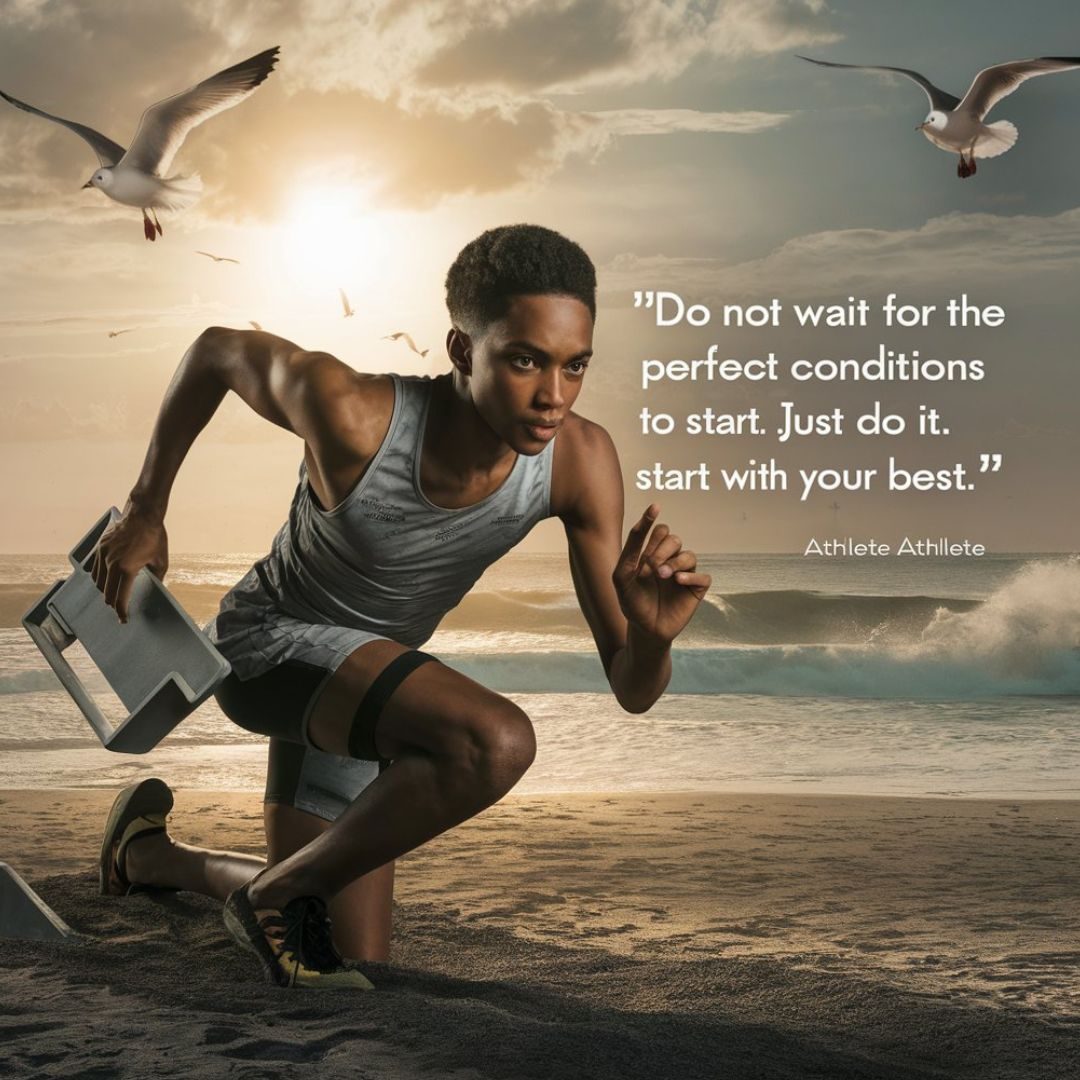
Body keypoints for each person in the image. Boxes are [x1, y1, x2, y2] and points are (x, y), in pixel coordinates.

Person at [91, 224, 711, 990]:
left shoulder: (580, 461)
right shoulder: (353, 412)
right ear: (460, 351)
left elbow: (632, 687)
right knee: (496, 741)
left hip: (369, 697)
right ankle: (276, 894)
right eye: (524, 361)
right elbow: (217, 349)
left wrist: (649, 639)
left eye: (574, 366)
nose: (553, 396)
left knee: (349, 961)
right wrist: (146, 508)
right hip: (267, 652)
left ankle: (145, 857)